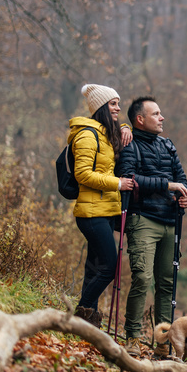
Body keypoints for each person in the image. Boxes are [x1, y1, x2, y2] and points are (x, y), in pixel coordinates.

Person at [115, 96, 187, 350]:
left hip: (170, 220)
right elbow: (129, 178)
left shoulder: (168, 146)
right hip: (143, 219)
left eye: (160, 113)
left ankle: (162, 342)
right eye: (156, 114)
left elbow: (181, 178)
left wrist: (183, 198)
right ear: (140, 119)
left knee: (167, 282)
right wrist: (167, 185)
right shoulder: (129, 145)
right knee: (142, 278)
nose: (162, 117)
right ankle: (133, 338)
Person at [69, 83, 136, 327]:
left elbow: (122, 132)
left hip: (105, 211)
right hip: (91, 213)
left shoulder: (106, 133)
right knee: (109, 267)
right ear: (101, 108)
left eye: (118, 103)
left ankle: (86, 326)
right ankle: (82, 314)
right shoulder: (87, 136)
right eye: (113, 104)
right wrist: (118, 183)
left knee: (94, 267)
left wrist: (126, 127)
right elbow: (83, 174)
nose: (118, 108)